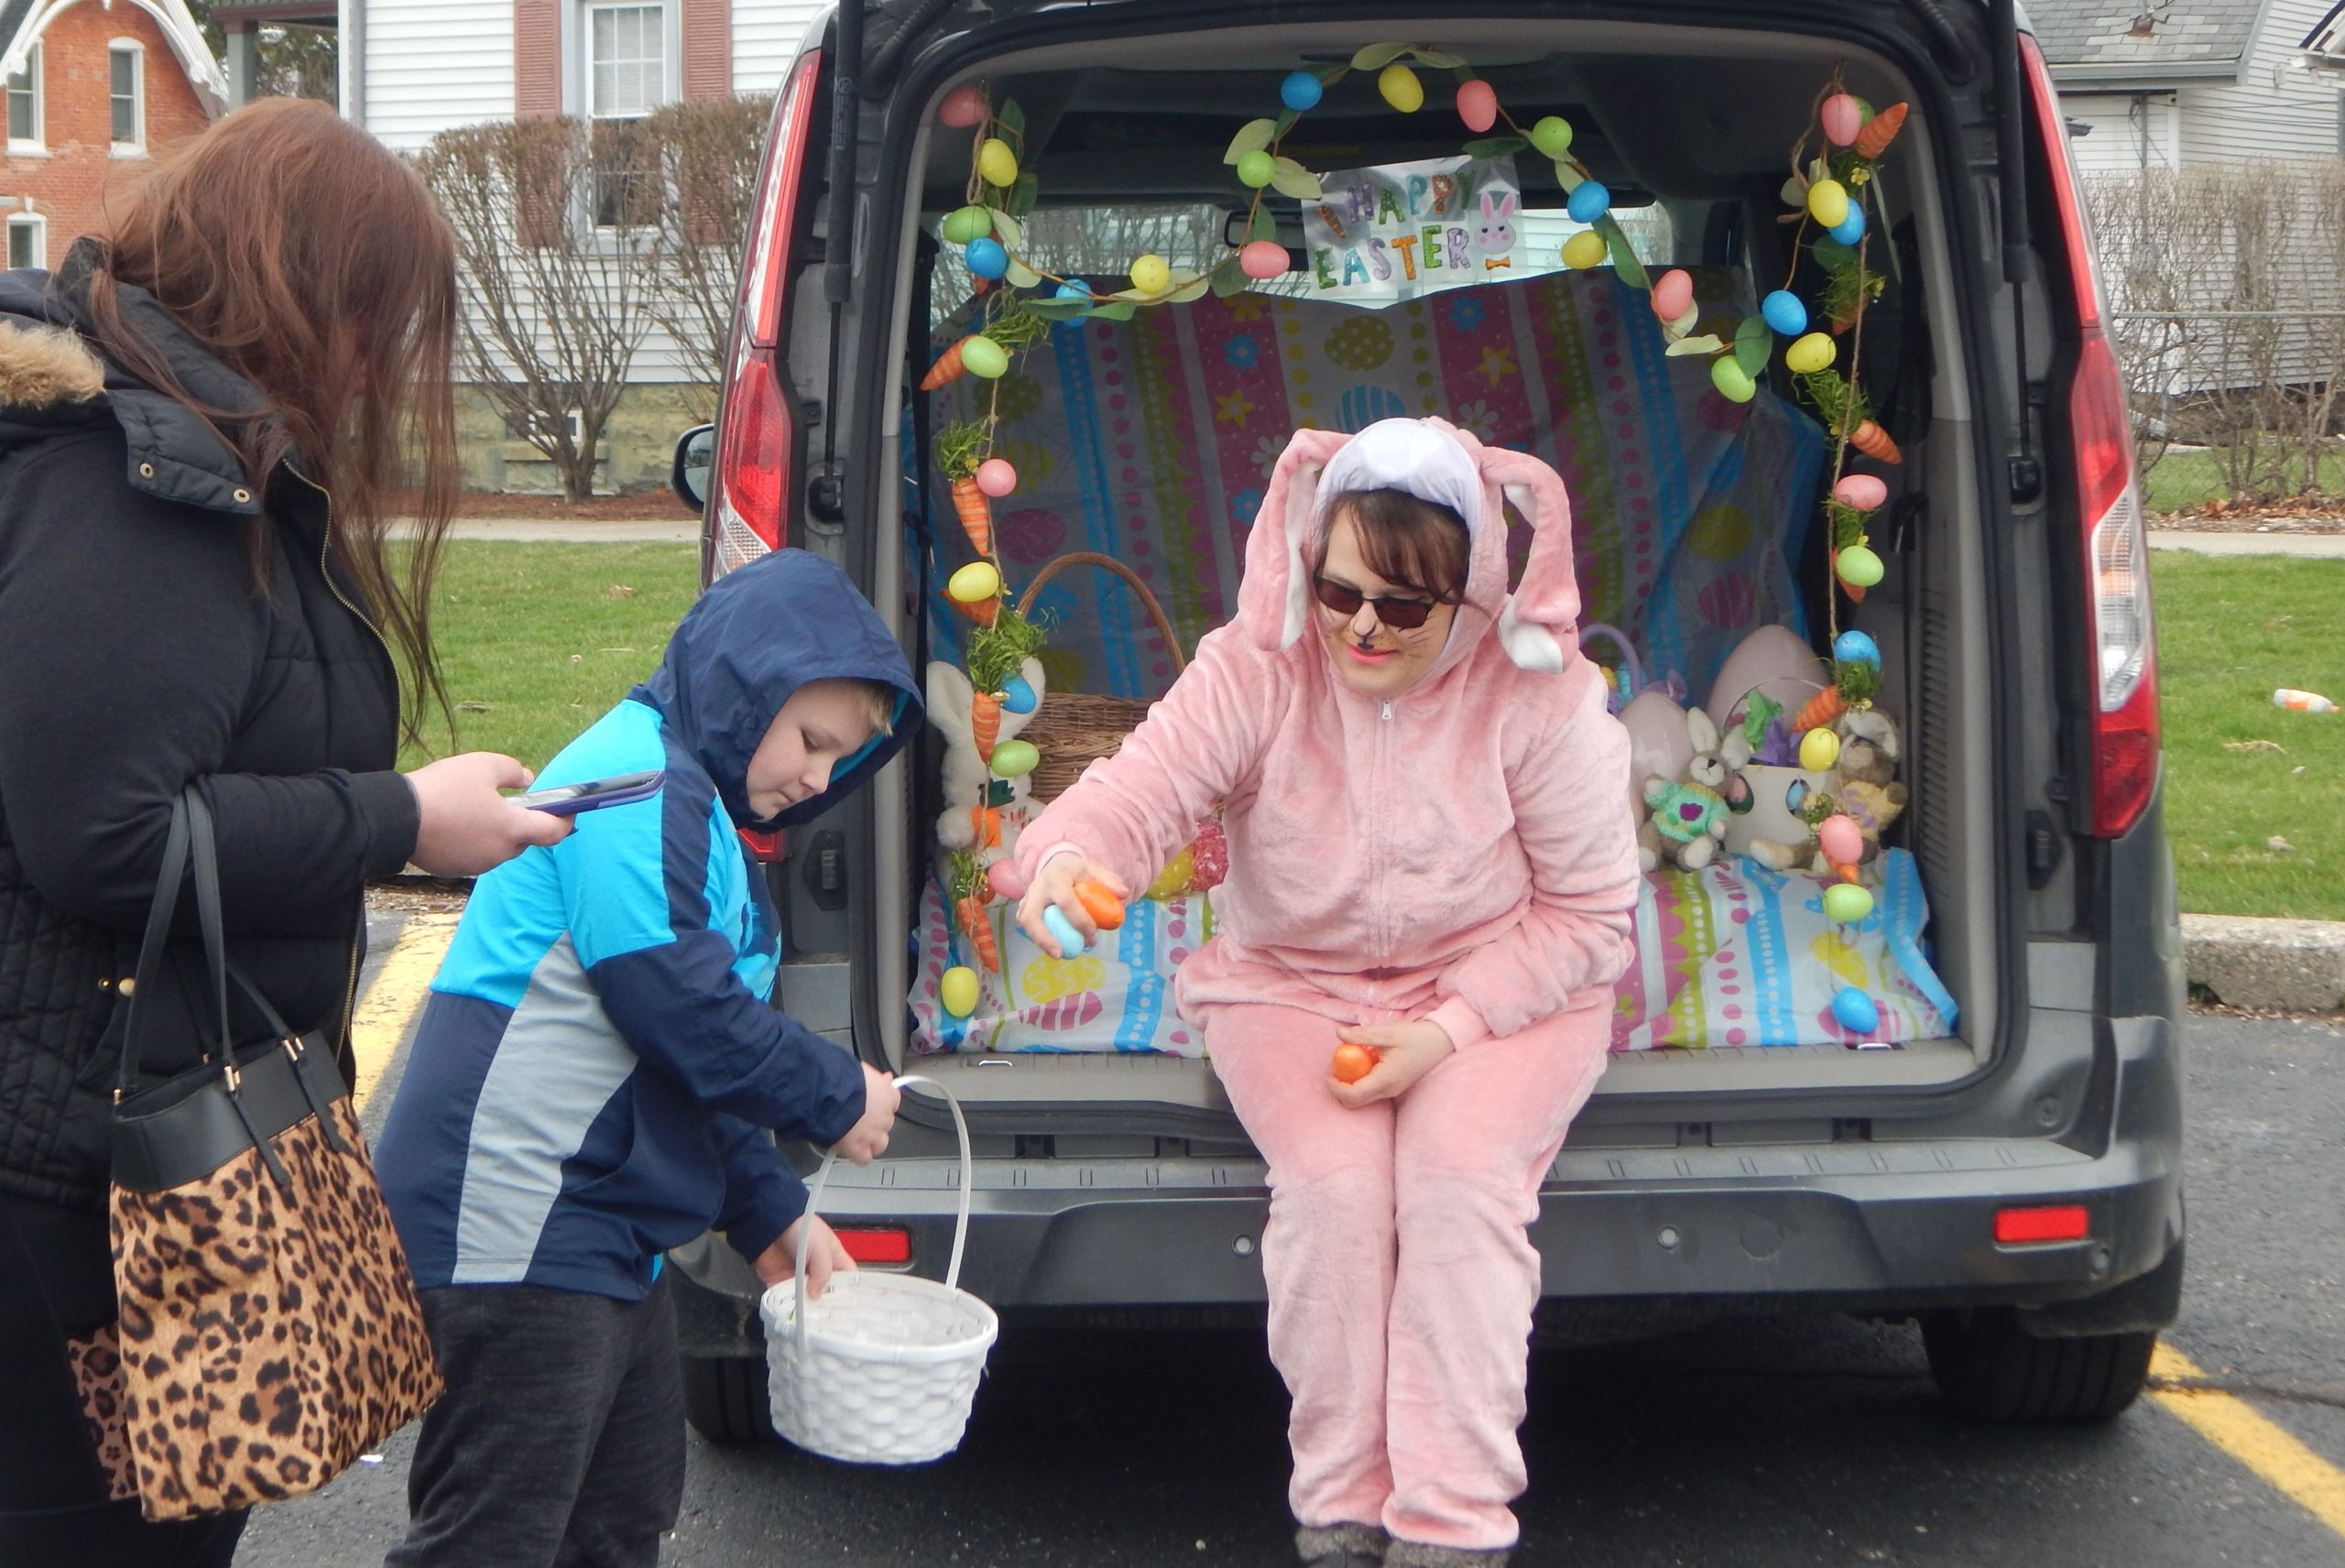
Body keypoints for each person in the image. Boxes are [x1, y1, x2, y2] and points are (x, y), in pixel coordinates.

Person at [0, 99, 568, 1566]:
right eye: (376, 318)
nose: (381, 366)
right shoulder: (133, 491)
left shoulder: (172, 458)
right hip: (76, 1185)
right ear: (295, 291)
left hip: (91, 1144)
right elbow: (102, 836)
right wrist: (403, 820)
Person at [1012, 418, 1641, 1568]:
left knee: (1455, 1183)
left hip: (1499, 988)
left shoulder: (1543, 697)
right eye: (1339, 587)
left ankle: (1453, 1523)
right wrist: (1068, 853)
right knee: (1337, 1194)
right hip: (1288, 985)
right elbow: (1143, 785)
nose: (1360, 624)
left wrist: (1447, 1030)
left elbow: (1591, 916)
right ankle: (1344, 1509)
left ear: (1472, 595)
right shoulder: (1255, 666)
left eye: (1404, 607)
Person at [374, 547, 922, 1568]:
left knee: (619, 1515)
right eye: (810, 739)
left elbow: (683, 1068)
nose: (817, 776)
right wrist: (834, 1090)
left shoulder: (699, 810)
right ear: (745, 679)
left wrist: (766, 1210)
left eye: (839, 761)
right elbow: (679, 1005)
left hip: (594, 1221)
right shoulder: (634, 783)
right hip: (515, 1216)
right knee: (493, 1535)